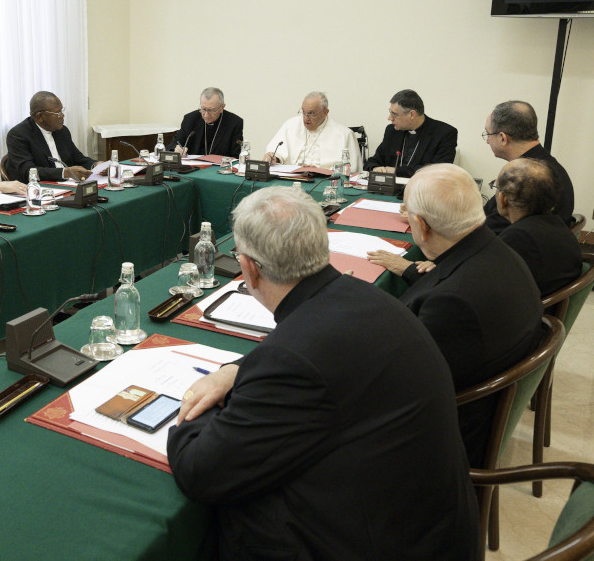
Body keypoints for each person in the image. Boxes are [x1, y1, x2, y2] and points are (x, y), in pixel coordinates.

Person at [168, 186, 478, 560]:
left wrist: (189, 406)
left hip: (375, 542)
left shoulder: (294, 360)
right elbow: (313, 353)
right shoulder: (365, 296)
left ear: (248, 268)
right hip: (427, 527)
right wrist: (234, 370)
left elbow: (201, 472)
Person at [386, 164, 544, 467]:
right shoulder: (497, 250)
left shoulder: (451, 304)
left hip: (444, 444)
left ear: (421, 224)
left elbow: (400, 389)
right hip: (479, 397)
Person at [482, 99, 574, 234]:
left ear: (503, 138)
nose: (487, 141)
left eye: (488, 134)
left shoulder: (527, 177)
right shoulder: (547, 167)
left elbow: (490, 229)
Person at [493, 158, 581, 296]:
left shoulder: (518, 238)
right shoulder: (560, 228)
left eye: (496, 187)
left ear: (503, 198)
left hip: (527, 314)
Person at [4, 91, 97, 183]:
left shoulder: (62, 131)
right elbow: (28, 171)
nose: (62, 115)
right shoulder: (18, 135)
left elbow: (78, 158)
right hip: (37, 189)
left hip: (67, 185)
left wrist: (95, 165)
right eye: (57, 113)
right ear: (40, 116)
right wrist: (65, 173)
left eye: (62, 110)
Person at [364, 89, 457, 176]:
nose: (390, 118)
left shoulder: (445, 133)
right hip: (388, 190)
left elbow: (438, 170)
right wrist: (375, 168)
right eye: (390, 112)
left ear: (412, 114)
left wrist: (396, 171)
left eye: (394, 114)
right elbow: (373, 161)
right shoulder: (392, 131)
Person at [262, 91, 361, 169]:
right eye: (303, 112)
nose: (306, 118)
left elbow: (352, 170)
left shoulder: (345, 134)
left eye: (311, 114)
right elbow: (276, 153)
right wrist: (274, 157)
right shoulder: (290, 125)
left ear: (325, 112)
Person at [167, 87, 244, 158]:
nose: (206, 115)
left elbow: (236, 155)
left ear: (222, 107)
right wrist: (176, 149)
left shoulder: (234, 123)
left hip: (219, 169)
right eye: (203, 109)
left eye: (211, 110)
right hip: (192, 169)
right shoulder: (190, 119)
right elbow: (173, 144)